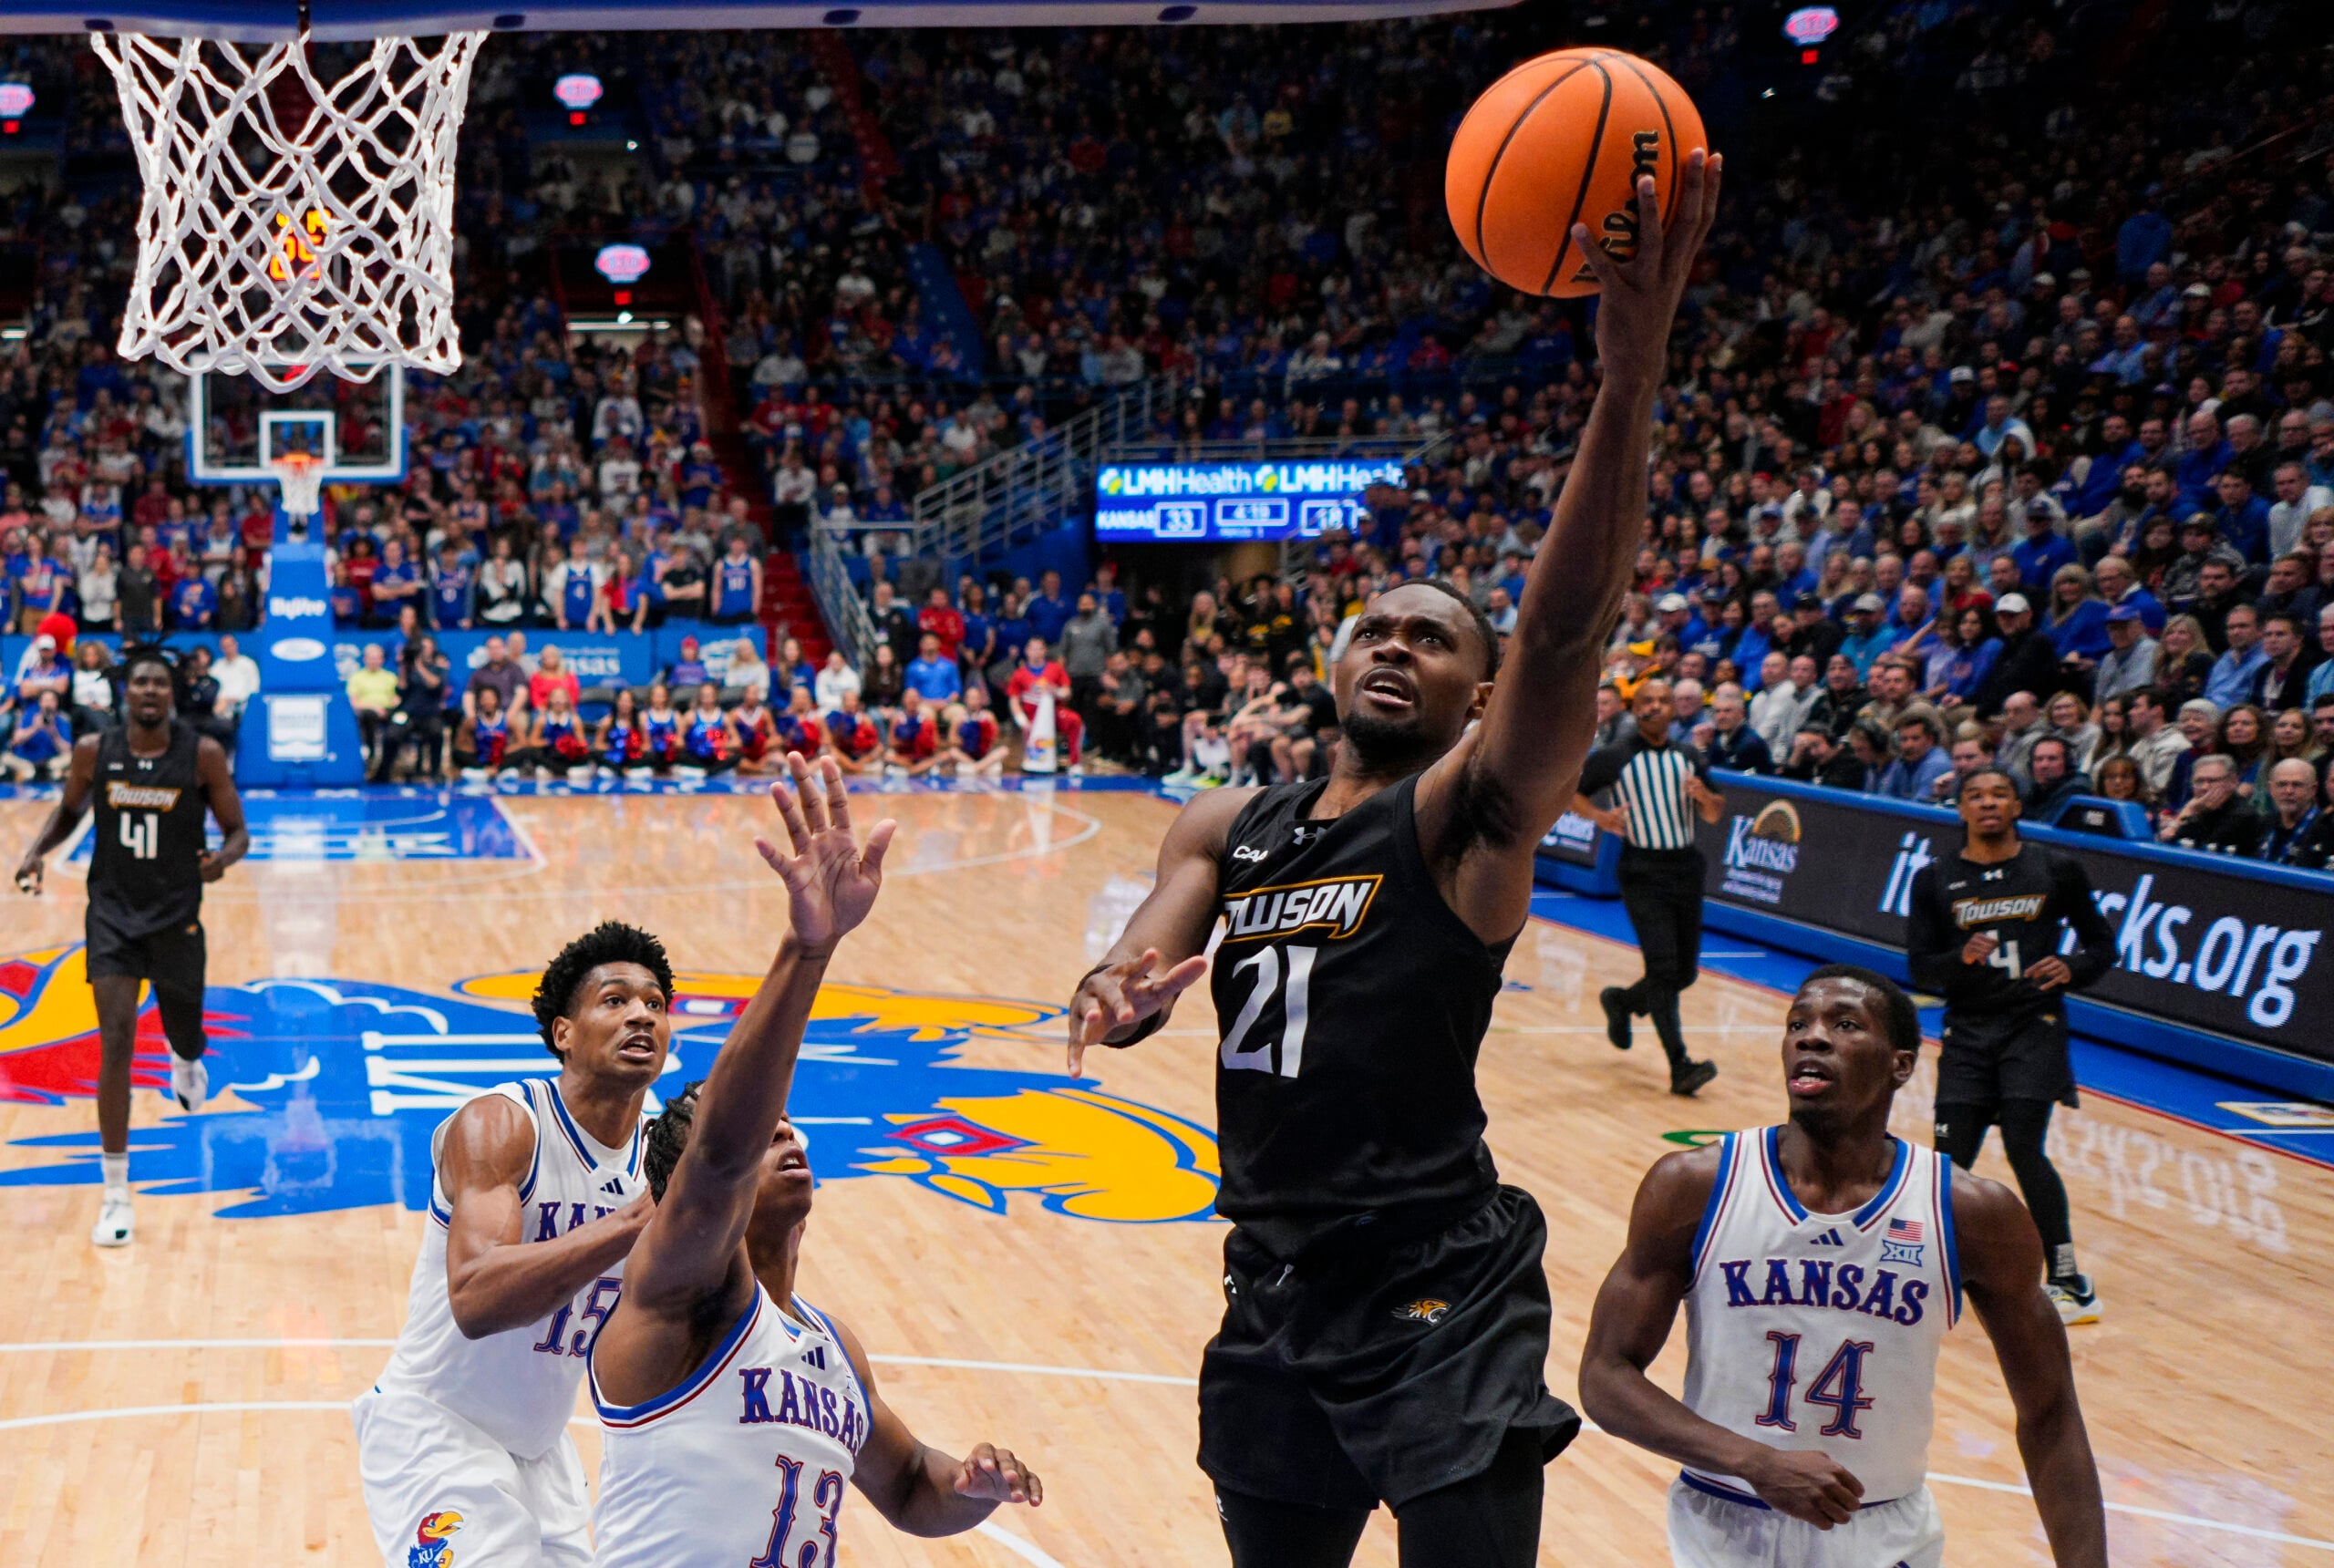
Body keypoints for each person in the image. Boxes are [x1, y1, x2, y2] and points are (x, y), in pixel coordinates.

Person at [1059, 157, 1720, 1568]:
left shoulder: (1465, 818)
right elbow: (1142, 950)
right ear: (1332, 657)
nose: (1398, 645)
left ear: (1480, 697)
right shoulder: (1226, 825)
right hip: (1273, 1285)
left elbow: (1561, 637)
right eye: (1377, 626)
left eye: (1436, 639)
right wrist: (1116, 994)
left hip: (1439, 1285)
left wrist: (1630, 380)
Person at [590, 756, 1040, 1565]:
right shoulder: (675, 1293)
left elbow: (908, 1488)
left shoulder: (833, 1345)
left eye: (790, 1128)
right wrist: (808, 951)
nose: (785, 1138)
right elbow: (721, 1154)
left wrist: (973, 1486)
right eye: (767, 1134)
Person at [1577, 966, 2106, 1568]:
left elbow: (2051, 1412)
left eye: (1845, 1024)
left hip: (1882, 1534)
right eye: (1798, 1023)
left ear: (1901, 1065)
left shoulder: (1969, 1212)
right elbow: (1605, 1376)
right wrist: (1753, 1462)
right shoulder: (1693, 1187)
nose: (1813, 1036)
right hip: (1726, 1523)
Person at [352, 920, 669, 1568]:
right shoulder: (502, 1124)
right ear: (564, 1034)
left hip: (540, 1451)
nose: (641, 1014)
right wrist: (632, 1224)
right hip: (433, 1431)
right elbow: (476, 1297)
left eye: (656, 1004)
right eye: (615, 1000)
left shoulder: (661, 1153)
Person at [13, 646, 249, 1247]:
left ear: (172, 693)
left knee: (186, 1031)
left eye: (159, 683)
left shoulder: (202, 755)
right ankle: (116, 1191)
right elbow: (68, 812)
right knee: (115, 1038)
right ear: (127, 692)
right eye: (140, 681)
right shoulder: (96, 752)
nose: (148, 690)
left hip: (175, 918)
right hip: (113, 917)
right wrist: (36, 851)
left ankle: (187, 1058)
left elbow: (239, 831)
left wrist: (220, 860)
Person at [1907, 769, 2114, 1324]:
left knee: (2026, 1147)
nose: (1988, 803)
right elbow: (1921, 968)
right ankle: (1926, 1269)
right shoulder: (1934, 879)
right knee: (1948, 1162)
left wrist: (2070, 966)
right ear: (1960, 811)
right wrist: (1960, 960)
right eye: (1975, 796)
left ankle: (2069, 1280)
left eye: (1999, 794)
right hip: (1968, 1030)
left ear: (2018, 805)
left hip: (2033, 1024)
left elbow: (2102, 945)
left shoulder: (2056, 868)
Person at [1575, 678, 1727, 1094]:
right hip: (1642, 869)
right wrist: (1601, 818)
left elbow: (1715, 813)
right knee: (1662, 969)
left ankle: (1622, 1002)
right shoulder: (1614, 757)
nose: (1656, 707)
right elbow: (1573, 794)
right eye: (1647, 701)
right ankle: (1680, 1066)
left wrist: (1704, 799)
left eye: (1663, 700)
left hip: (1685, 868)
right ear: (1634, 708)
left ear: (1673, 709)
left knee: (1684, 973)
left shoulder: (1689, 756)